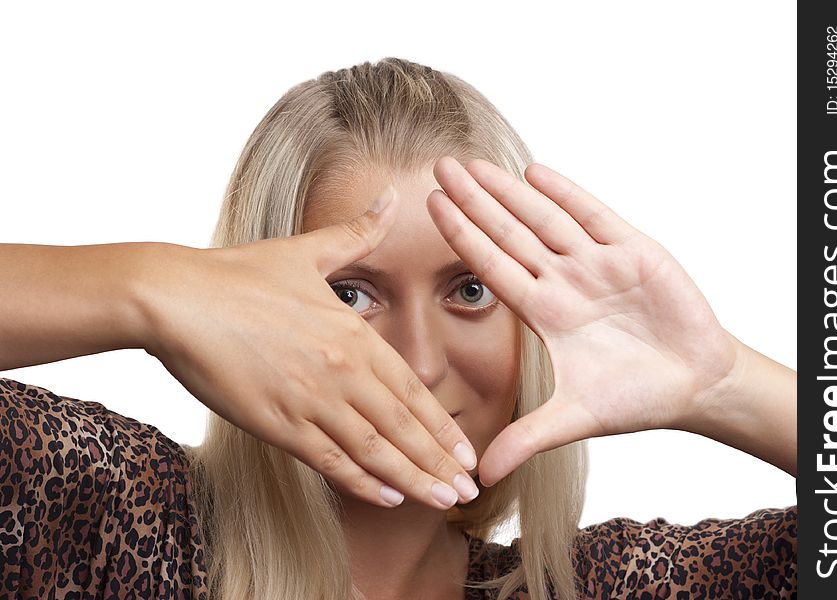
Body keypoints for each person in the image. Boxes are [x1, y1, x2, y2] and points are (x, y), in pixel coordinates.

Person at [0, 57, 796, 599]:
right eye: (352, 295)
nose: (416, 363)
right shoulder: (99, 509)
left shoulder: (599, 587)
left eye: (471, 289)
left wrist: (725, 385)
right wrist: (149, 289)